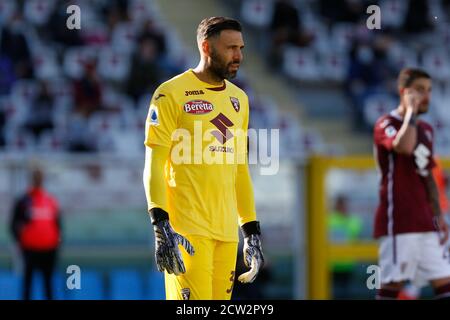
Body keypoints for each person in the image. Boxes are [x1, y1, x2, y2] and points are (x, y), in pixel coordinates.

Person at [142, 17, 264, 300]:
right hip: (187, 231)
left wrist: (251, 231)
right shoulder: (170, 93)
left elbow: (239, 171)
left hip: (226, 234)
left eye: (241, 48)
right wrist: (160, 225)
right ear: (207, 47)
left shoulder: (239, 100)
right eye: (231, 48)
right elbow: (154, 163)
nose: (238, 56)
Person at [373, 68, 450, 300]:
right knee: (392, 286)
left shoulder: (427, 129)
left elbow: (427, 173)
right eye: (419, 90)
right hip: (399, 221)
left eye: (428, 91)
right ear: (403, 92)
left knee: (445, 283)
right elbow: (404, 147)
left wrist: (439, 215)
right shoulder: (386, 123)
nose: (426, 96)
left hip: (427, 222)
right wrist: (411, 114)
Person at [9, 168, 62, 300]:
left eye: (40, 177)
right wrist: (19, 241)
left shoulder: (50, 200)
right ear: (32, 180)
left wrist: (56, 244)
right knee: (28, 284)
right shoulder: (23, 201)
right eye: (36, 177)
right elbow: (14, 224)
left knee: (48, 284)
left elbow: (58, 224)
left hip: (49, 249)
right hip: (30, 249)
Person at [328, 195, 362, 298]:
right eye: (342, 205)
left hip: (347, 265)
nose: (344, 207)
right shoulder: (329, 220)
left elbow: (356, 241)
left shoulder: (354, 221)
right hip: (332, 264)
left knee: (346, 294)